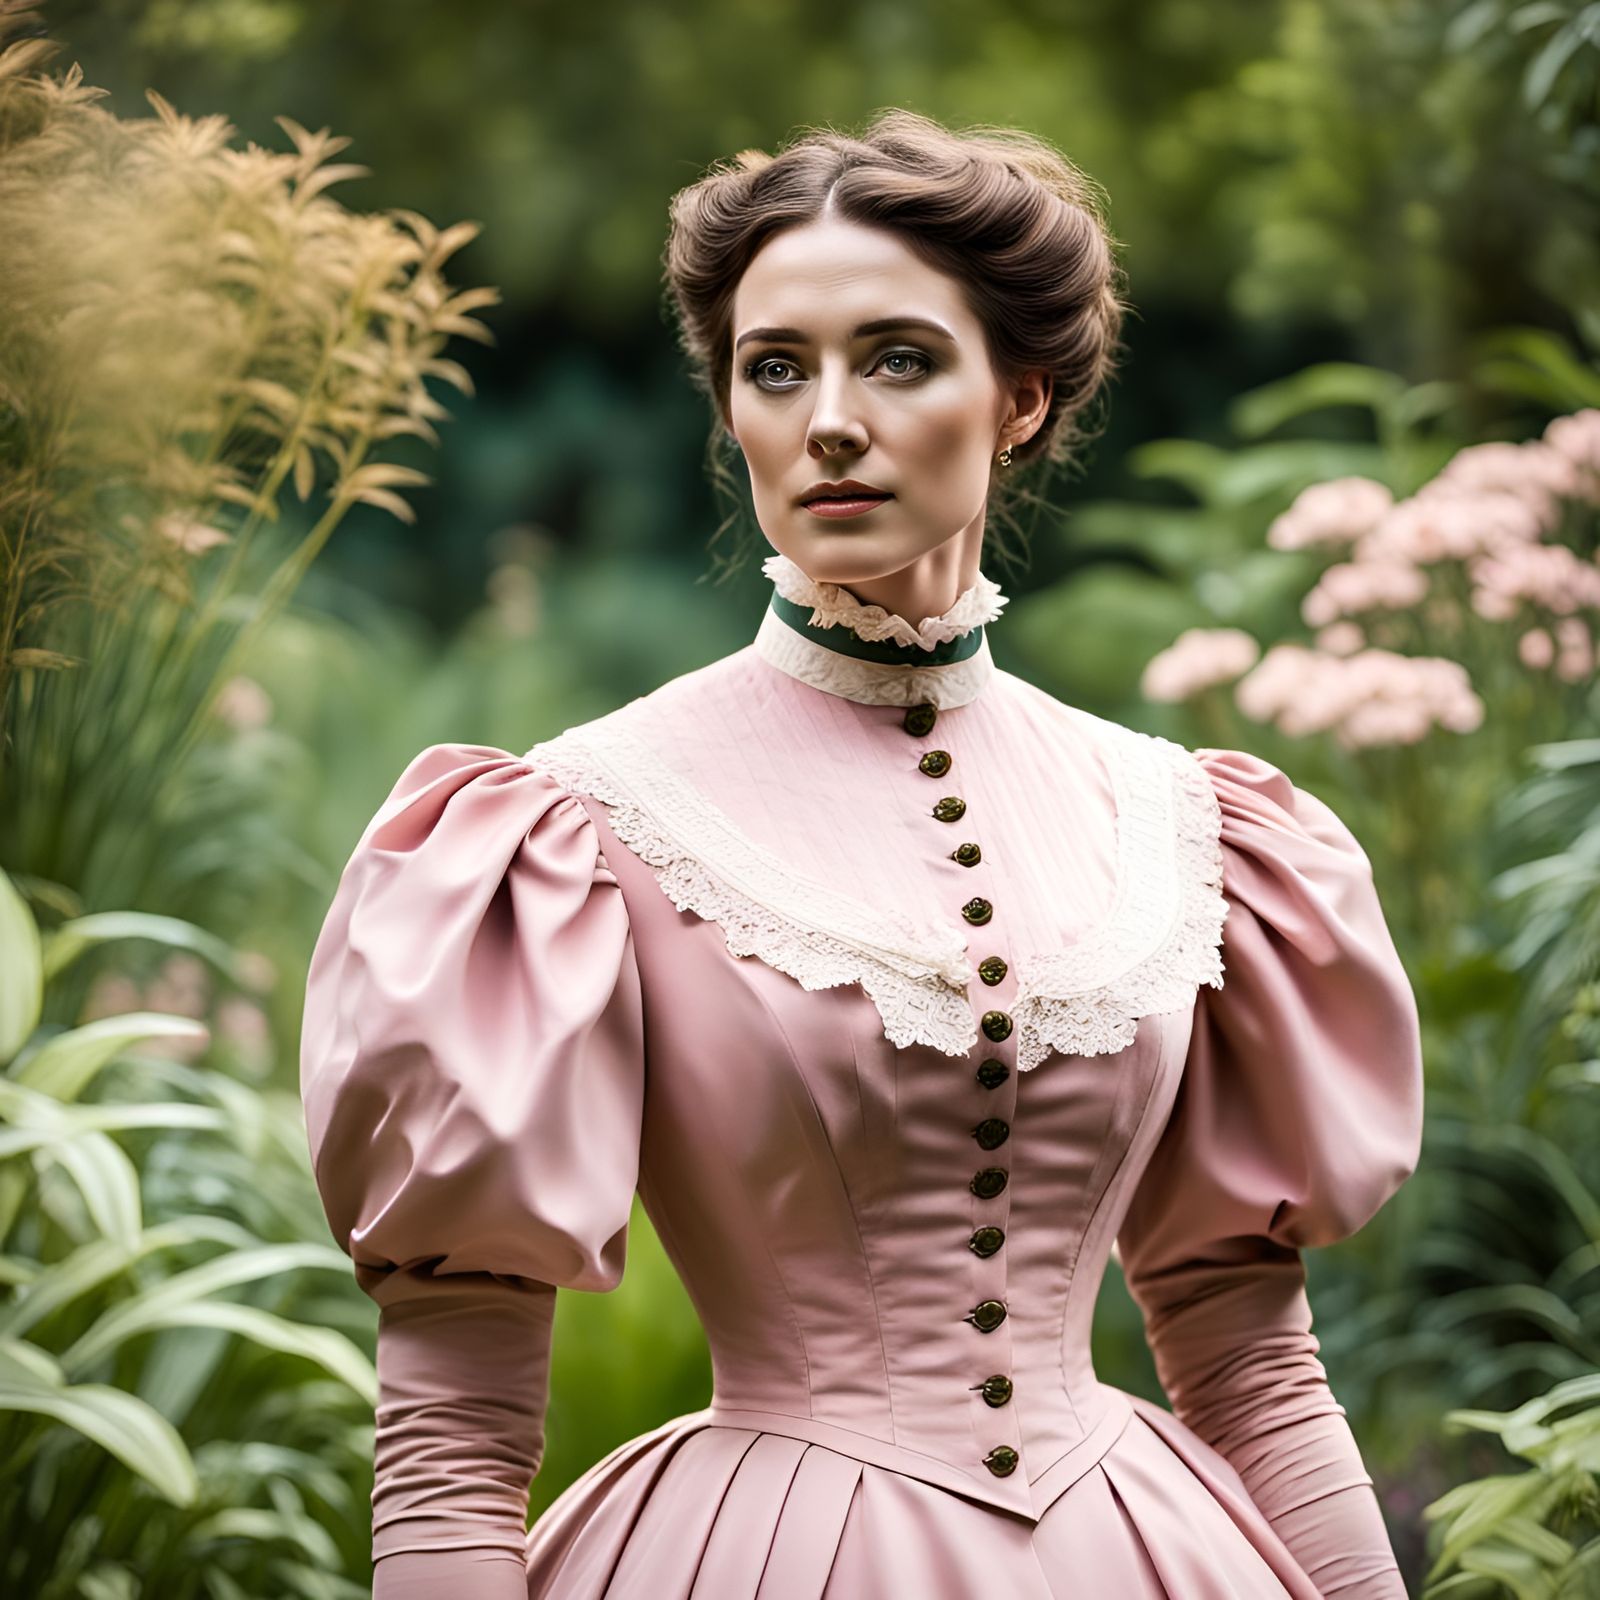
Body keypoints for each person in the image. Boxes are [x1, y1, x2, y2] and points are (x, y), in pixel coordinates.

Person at [299, 108, 1424, 1599]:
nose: (829, 417)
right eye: (775, 368)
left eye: (897, 357)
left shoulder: (1183, 819)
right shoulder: (568, 829)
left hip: (1144, 1549)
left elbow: (1252, 1354)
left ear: (1018, 398)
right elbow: (453, 1428)